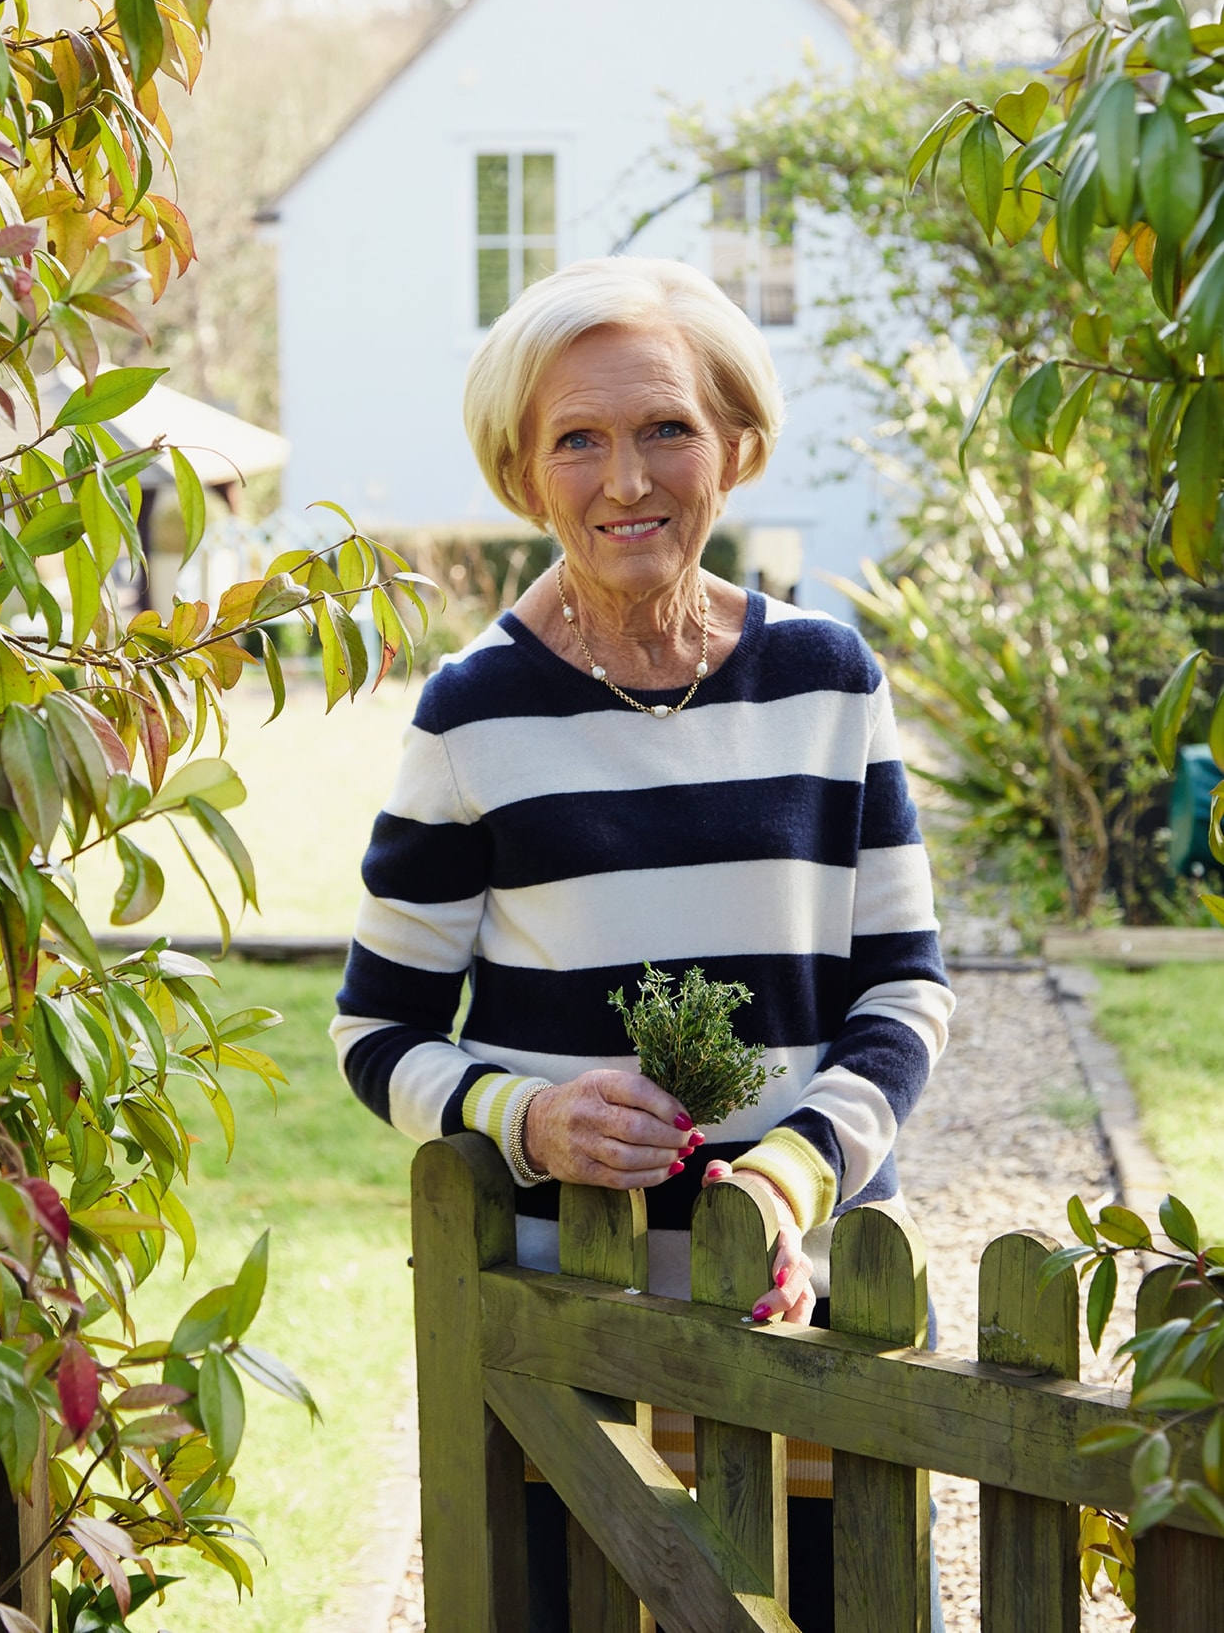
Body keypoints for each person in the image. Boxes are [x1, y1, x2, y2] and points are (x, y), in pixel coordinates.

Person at [331, 255, 954, 1632]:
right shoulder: (469, 715)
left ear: (733, 444)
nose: (628, 479)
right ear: (521, 469)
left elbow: (905, 986)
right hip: (567, 1313)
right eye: (578, 440)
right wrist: (527, 1114)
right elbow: (375, 1032)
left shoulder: (827, 679)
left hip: (804, 1293)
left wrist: (796, 1169)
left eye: (666, 427)